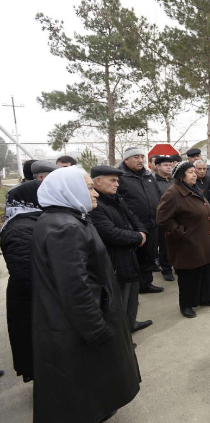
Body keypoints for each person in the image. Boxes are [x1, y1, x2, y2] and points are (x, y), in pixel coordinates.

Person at [32, 166, 140, 423]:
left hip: (71, 323)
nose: (95, 194)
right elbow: (76, 289)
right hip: (77, 327)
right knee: (85, 386)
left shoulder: (65, 219)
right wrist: (97, 330)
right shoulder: (66, 228)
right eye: (90, 187)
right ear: (69, 191)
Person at [89, 165, 154, 334]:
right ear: (98, 181)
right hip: (115, 259)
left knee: (132, 295)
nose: (117, 184)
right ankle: (122, 337)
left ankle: (131, 323)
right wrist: (138, 238)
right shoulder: (96, 204)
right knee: (119, 301)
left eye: (117, 180)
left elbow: (133, 217)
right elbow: (109, 233)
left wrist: (142, 232)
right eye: (112, 180)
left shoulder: (116, 198)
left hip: (129, 255)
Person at [157, 162, 210, 318]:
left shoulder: (193, 189)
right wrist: (181, 232)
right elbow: (162, 219)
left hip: (202, 240)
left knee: (205, 270)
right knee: (188, 275)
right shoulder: (173, 193)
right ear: (181, 176)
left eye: (194, 172)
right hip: (187, 243)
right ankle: (186, 305)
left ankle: (205, 297)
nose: (195, 174)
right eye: (191, 172)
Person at [0, 170, 45, 383]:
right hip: (31, 300)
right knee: (35, 345)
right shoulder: (20, 227)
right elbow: (27, 274)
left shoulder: (32, 219)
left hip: (36, 296)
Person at [117, 147, 165, 294]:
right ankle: (134, 288)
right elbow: (120, 202)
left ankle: (146, 283)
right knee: (136, 258)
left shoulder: (149, 176)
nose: (140, 160)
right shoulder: (120, 177)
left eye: (141, 157)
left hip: (152, 224)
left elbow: (157, 196)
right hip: (134, 227)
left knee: (149, 256)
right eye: (135, 157)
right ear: (126, 159)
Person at [154, 156, 175, 282]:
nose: (168, 167)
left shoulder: (175, 180)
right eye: (165, 165)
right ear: (157, 166)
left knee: (178, 244)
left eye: (170, 165)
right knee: (164, 246)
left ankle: (177, 265)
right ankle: (166, 270)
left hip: (177, 217)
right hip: (163, 218)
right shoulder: (152, 181)